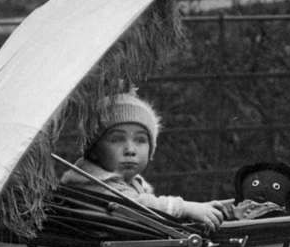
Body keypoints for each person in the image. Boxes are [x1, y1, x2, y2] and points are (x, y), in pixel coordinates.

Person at [61, 90, 224, 229]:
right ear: (94, 150)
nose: (130, 150)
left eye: (140, 140)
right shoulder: (94, 184)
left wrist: (217, 210)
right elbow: (137, 207)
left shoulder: (131, 182)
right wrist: (184, 208)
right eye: (117, 139)